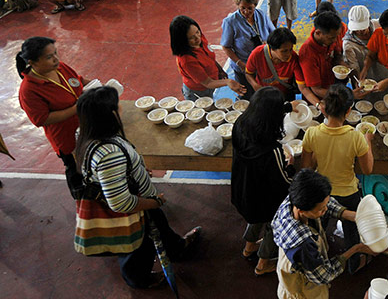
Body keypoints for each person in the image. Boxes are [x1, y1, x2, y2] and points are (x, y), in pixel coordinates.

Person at [73, 86, 201, 289]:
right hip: (135, 208)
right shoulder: (109, 154)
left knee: (159, 224)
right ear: (109, 115)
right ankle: (139, 279)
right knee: (138, 247)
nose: (122, 108)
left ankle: (177, 248)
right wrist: (154, 201)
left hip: (141, 199)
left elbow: (117, 170)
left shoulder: (86, 133)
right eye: (118, 106)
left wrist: (135, 168)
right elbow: (121, 203)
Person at [302, 84, 374, 273]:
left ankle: (317, 258)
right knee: (352, 231)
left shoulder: (312, 133)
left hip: (322, 193)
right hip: (348, 193)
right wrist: (368, 143)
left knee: (319, 226)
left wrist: (320, 154)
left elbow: (307, 168)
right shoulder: (356, 137)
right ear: (349, 111)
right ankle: (353, 264)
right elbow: (367, 169)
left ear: (323, 107)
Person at [272, 169, 376, 299]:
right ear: (302, 211)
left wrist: (353, 216)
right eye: (321, 209)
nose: (325, 210)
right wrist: (356, 248)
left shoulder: (295, 199)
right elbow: (324, 275)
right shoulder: (303, 245)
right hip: (303, 292)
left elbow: (324, 202)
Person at [231, 86, 295, 275]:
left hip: (242, 192)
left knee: (255, 217)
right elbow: (284, 180)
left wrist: (288, 106)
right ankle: (263, 263)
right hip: (263, 201)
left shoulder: (240, 124)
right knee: (276, 223)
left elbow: (265, 111)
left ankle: (249, 247)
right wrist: (291, 165)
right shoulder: (272, 150)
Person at [17, 37, 89, 196]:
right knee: (75, 168)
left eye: (55, 53)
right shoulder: (29, 90)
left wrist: (97, 86)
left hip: (86, 127)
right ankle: (81, 198)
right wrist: (76, 109)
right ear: (33, 62)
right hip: (66, 138)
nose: (56, 59)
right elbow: (42, 119)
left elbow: (78, 80)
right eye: (49, 57)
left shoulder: (60, 68)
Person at [169, 15, 247, 101]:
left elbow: (210, 57)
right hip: (198, 92)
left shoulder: (200, 39)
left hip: (210, 84)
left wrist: (220, 70)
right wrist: (228, 82)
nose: (197, 38)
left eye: (197, 32)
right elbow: (208, 82)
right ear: (182, 41)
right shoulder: (187, 60)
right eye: (191, 38)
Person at [221, 0, 275, 98]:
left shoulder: (261, 15)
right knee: (246, 95)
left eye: (250, 8)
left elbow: (273, 34)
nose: (246, 12)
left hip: (262, 63)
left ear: (255, 5)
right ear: (238, 6)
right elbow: (226, 47)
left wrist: (268, 43)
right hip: (243, 66)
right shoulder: (230, 22)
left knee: (262, 93)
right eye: (242, 8)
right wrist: (240, 63)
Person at [298, 11, 346, 105]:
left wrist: (343, 65)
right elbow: (317, 89)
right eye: (332, 38)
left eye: (337, 36)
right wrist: (345, 96)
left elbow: (337, 55)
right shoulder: (308, 53)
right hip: (317, 100)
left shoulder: (330, 37)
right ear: (318, 33)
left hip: (332, 85)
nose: (335, 40)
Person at [244, 28, 303, 100]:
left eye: (291, 49)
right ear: (272, 48)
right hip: (265, 95)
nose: (289, 54)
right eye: (284, 51)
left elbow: (302, 87)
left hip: (285, 95)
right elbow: (248, 74)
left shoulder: (293, 58)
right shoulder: (257, 54)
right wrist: (255, 85)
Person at [343, 5, 379, 73]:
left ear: (369, 19)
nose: (360, 31)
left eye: (362, 28)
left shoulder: (379, 26)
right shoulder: (348, 44)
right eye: (357, 28)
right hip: (366, 78)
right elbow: (354, 68)